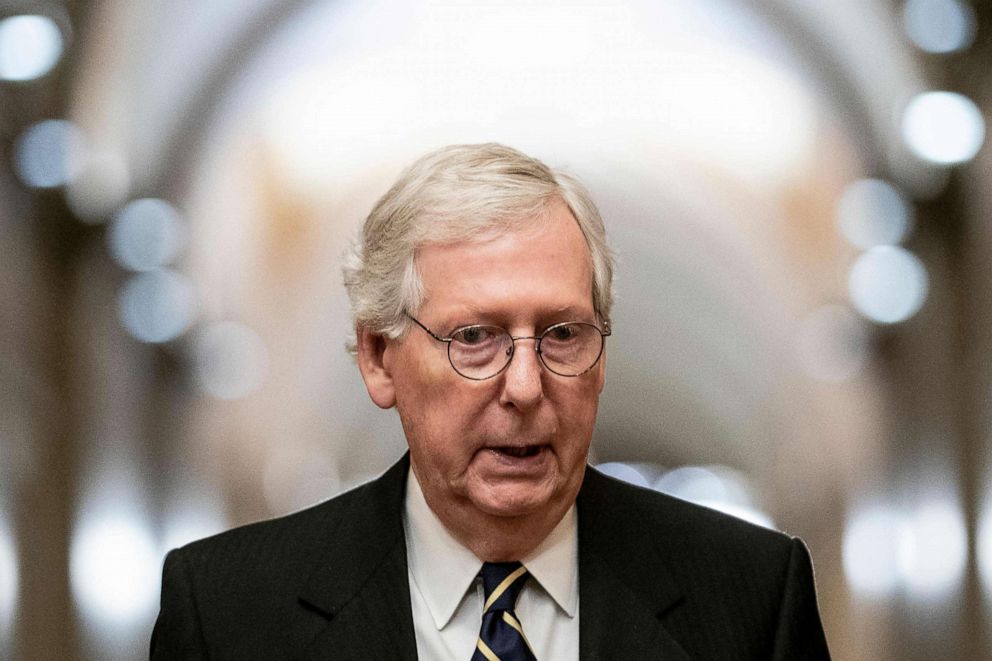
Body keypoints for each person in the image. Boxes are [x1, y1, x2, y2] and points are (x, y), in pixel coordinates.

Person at [151, 143, 830, 660]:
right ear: (379, 358)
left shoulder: (751, 600)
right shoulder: (229, 612)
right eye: (475, 337)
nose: (527, 386)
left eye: (563, 334)